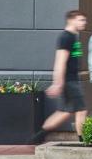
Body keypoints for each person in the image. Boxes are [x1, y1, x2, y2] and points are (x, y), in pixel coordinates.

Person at [37, 10, 88, 141]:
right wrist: (57, 83)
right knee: (81, 110)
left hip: (71, 80)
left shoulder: (73, 37)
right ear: (71, 20)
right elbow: (60, 61)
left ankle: (37, 137)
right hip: (70, 81)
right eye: (80, 20)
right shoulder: (66, 37)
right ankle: (83, 141)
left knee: (64, 112)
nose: (84, 23)